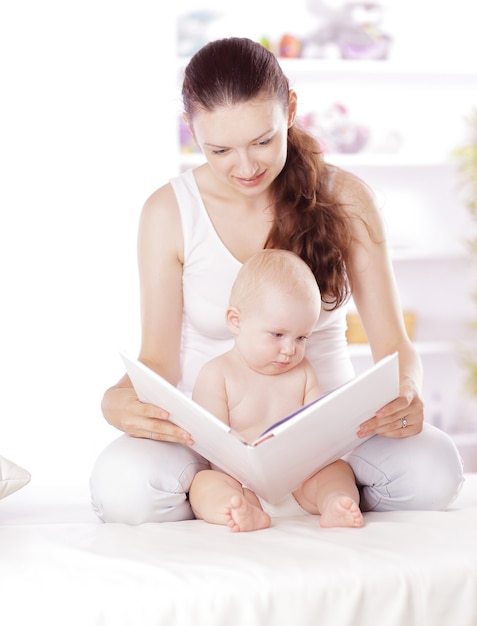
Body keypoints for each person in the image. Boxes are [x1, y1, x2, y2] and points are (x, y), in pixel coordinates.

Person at [90, 37, 463, 525]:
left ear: (289, 109)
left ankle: (325, 489)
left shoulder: (344, 198)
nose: (245, 168)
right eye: (220, 149)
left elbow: (395, 347)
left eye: (263, 141)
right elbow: (156, 361)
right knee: (123, 488)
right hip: (211, 440)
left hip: (328, 436)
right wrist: (114, 401)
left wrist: (407, 393)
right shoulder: (170, 212)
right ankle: (225, 490)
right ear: (190, 131)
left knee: (434, 469)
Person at [189, 248, 364, 532]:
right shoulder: (217, 374)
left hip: (299, 484)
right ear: (236, 321)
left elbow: (319, 428)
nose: (289, 350)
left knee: (338, 472)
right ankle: (235, 509)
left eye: (301, 337)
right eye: (277, 335)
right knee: (203, 484)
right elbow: (212, 446)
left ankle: (334, 502)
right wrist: (238, 485)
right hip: (243, 485)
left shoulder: (303, 371)